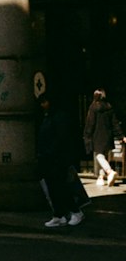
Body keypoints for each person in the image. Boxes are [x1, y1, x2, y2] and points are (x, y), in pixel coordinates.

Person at [37, 94, 85, 228]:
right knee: (53, 188)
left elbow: (61, 139)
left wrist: (50, 152)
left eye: (44, 102)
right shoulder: (49, 117)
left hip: (57, 158)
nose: (43, 105)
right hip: (49, 158)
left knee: (60, 187)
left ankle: (74, 211)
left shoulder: (58, 117)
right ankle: (59, 214)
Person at [84, 89, 121, 187]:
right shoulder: (109, 107)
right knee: (104, 156)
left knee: (99, 156)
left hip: (97, 136)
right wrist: (121, 135)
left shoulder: (93, 107)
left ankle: (109, 172)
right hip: (108, 136)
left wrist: (87, 135)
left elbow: (90, 123)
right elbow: (115, 123)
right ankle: (101, 178)